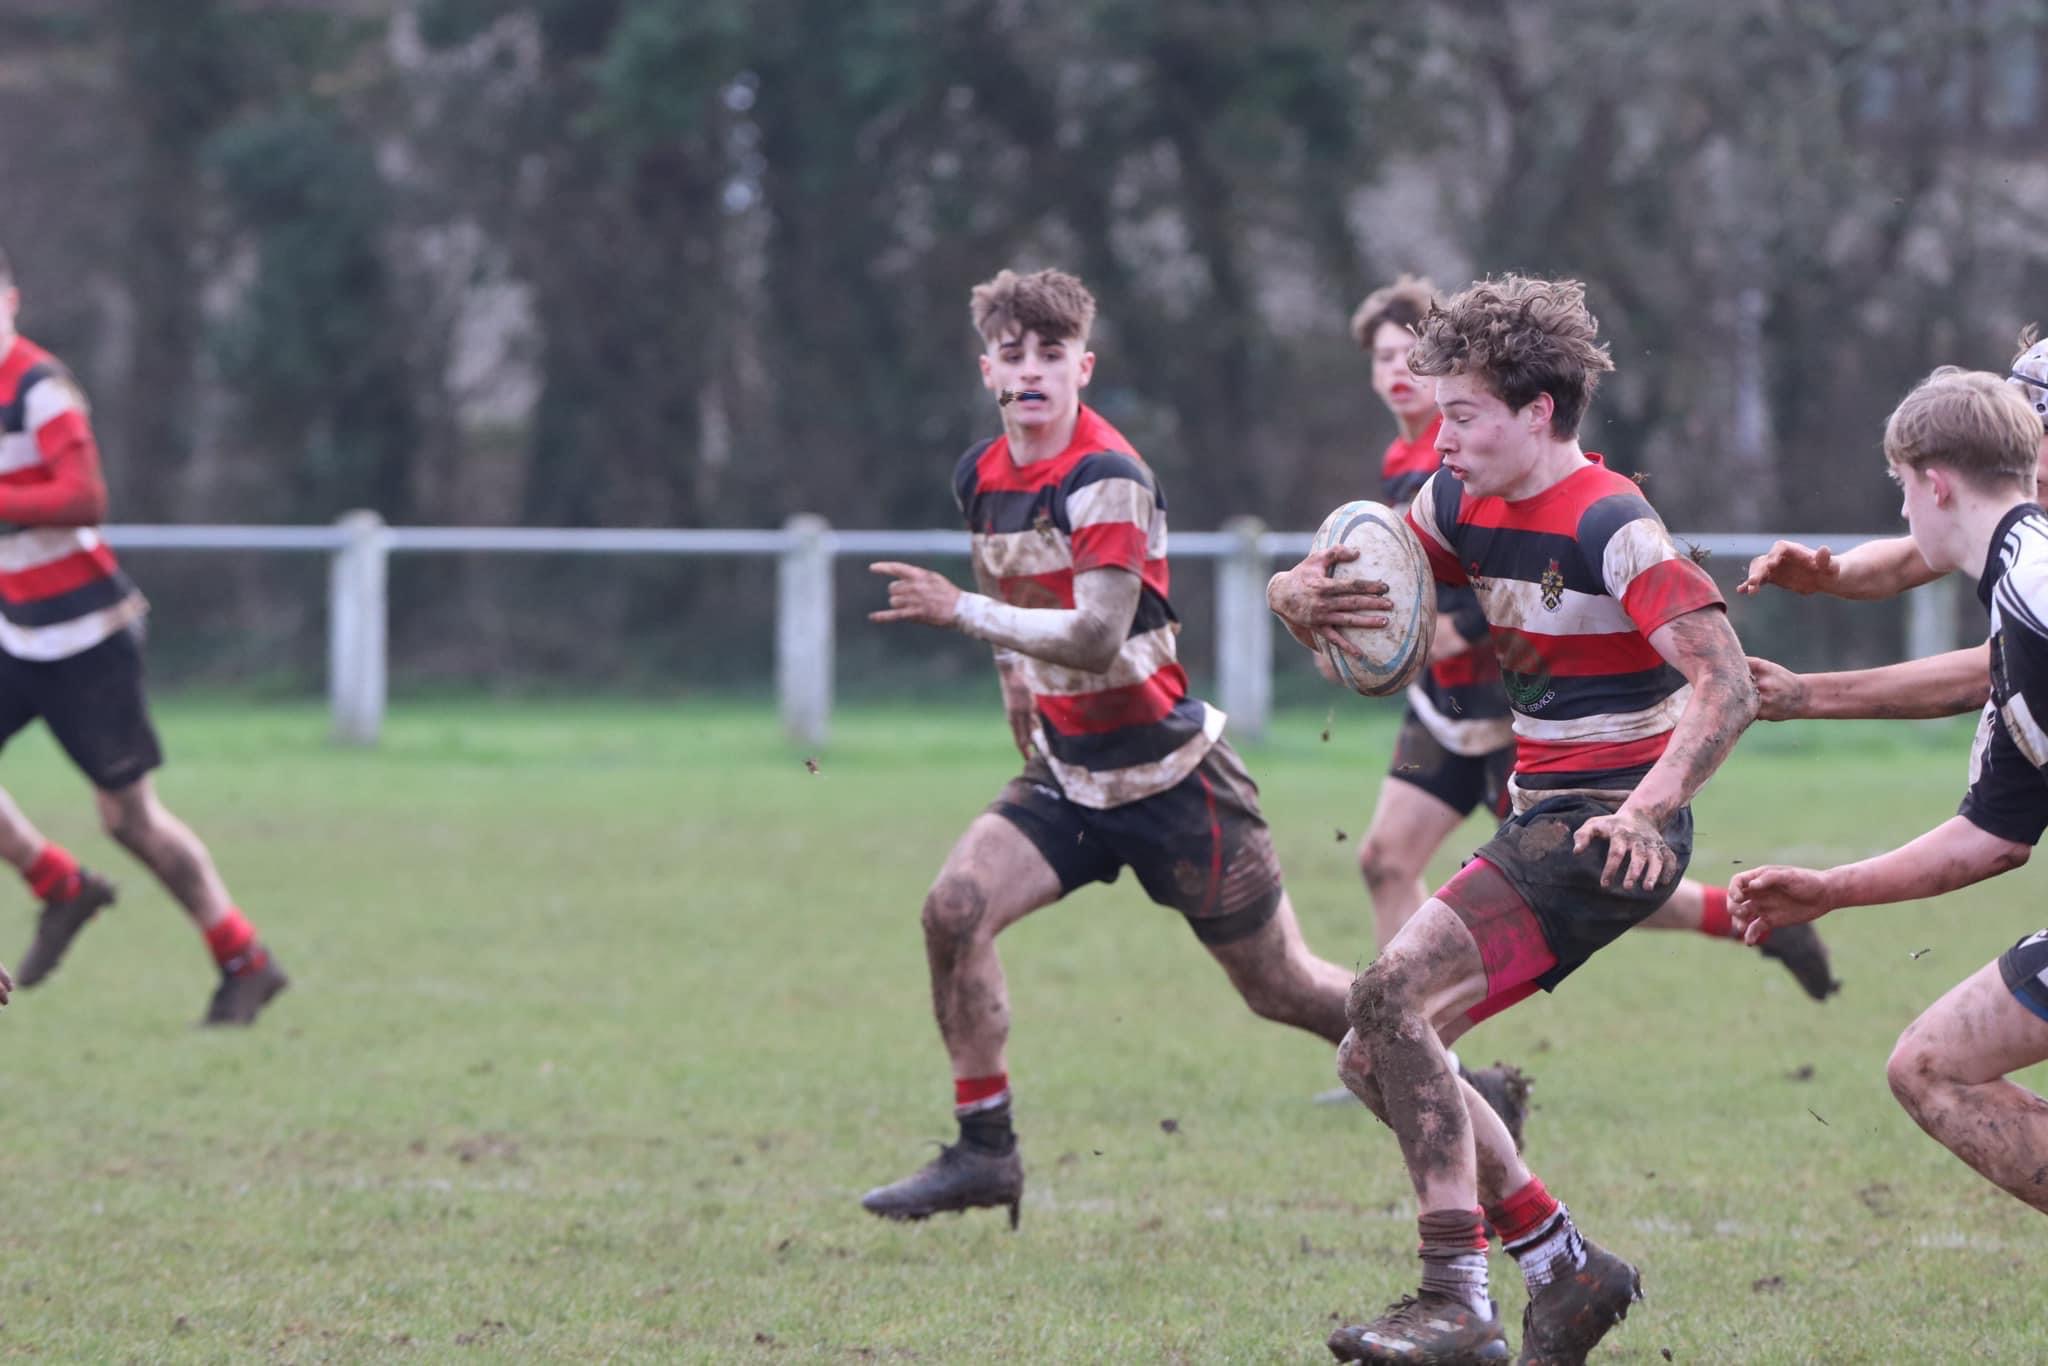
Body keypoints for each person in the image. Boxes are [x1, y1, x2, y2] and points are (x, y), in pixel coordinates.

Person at [858, 267, 1526, 1230]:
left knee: (1283, 986)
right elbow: (1016, 593)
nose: (1033, 371)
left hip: (1174, 777)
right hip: (1070, 774)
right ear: (988, 371)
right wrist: (1020, 705)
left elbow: (1095, 632)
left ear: (1083, 367)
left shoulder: (1107, 478)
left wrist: (956, 613)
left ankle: (1467, 1084)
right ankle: (985, 1151)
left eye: (1053, 354)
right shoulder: (981, 475)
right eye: (1015, 355)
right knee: (953, 909)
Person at [1269, 275, 1760, 1362]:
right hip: (1541, 813)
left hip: (1607, 824)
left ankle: (1454, 1296)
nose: (1435, 434)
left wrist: (1645, 808)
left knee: (1388, 994)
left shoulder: (1610, 522)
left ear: (1536, 412)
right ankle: (1563, 1266)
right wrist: (1291, 592)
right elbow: (1359, 588)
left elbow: (1725, 686)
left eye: (1460, 414)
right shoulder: (1452, 503)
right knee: (1372, 1055)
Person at [1347, 276, 1833, 1005]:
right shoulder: (1414, 465)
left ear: (1528, 410)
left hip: (1527, 710)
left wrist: (1449, 630)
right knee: (1386, 861)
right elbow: (1428, 575)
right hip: (1442, 708)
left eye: (1401, 354)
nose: (1392, 372)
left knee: (1575, 875)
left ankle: (1736, 918)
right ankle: (1411, 1038)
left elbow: (1519, 578)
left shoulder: (1515, 469)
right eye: (1380, 357)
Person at [1732, 365, 2048, 1216]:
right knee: (1930, 1064)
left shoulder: (2033, 587)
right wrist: (1830, 889)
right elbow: (1991, 836)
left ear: (1936, 484)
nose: (1904, 515)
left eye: (1904, 490)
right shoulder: (2015, 608)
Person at [0, 246, 286, 1025]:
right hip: (17, 634)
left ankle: (244, 958)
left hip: (89, 639)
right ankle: (59, 884)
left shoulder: (38, 387)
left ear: (12, 301)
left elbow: (85, 495)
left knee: (130, 821)